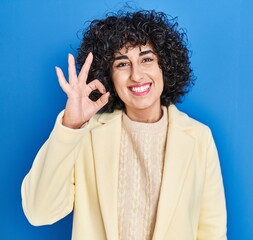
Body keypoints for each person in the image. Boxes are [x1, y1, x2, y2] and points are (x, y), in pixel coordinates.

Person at [21, 9, 227, 240]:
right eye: (122, 64)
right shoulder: (87, 133)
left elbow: (212, 232)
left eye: (147, 59)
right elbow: (39, 212)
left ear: (165, 66)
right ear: (109, 75)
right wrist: (71, 126)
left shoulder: (199, 137)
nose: (137, 75)